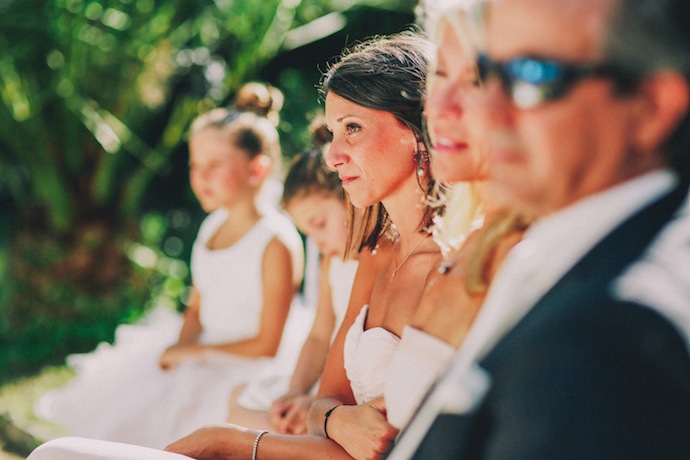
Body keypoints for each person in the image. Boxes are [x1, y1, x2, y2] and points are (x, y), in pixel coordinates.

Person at [27, 29, 445, 460]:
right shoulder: (375, 257)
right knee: (55, 452)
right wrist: (333, 417)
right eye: (333, 132)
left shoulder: (453, 268)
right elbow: (324, 403)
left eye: (353, 128)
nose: (334, 154)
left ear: (417, 129)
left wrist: (232, 440)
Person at [388, 0, 690, 458]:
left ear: (651, 107)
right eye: (487, 71)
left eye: (532, 75)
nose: (485, 110)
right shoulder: (563, 253)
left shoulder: (610, 340)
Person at [35, 99, 304, 449]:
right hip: (200, 353)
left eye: (215, 165)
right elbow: (198, 305)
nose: (201, 177)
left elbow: (268, 344)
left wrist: (194, 355)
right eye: (195, 165)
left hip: (246, 367)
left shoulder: (276, 241)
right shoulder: (212, 226)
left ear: (257, 169)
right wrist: (183, 344)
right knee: (131, 413)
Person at [226, 126, 359, 436]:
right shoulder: (332, 262)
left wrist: (314, 401)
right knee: (237, 404)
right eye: (309, 235)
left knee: (235, 428)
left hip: (344, 394)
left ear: (349, 197)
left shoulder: (373, 262)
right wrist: (294, 390)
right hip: (321, 385)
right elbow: (319, 335)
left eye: (321, 224)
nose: (319, 242)